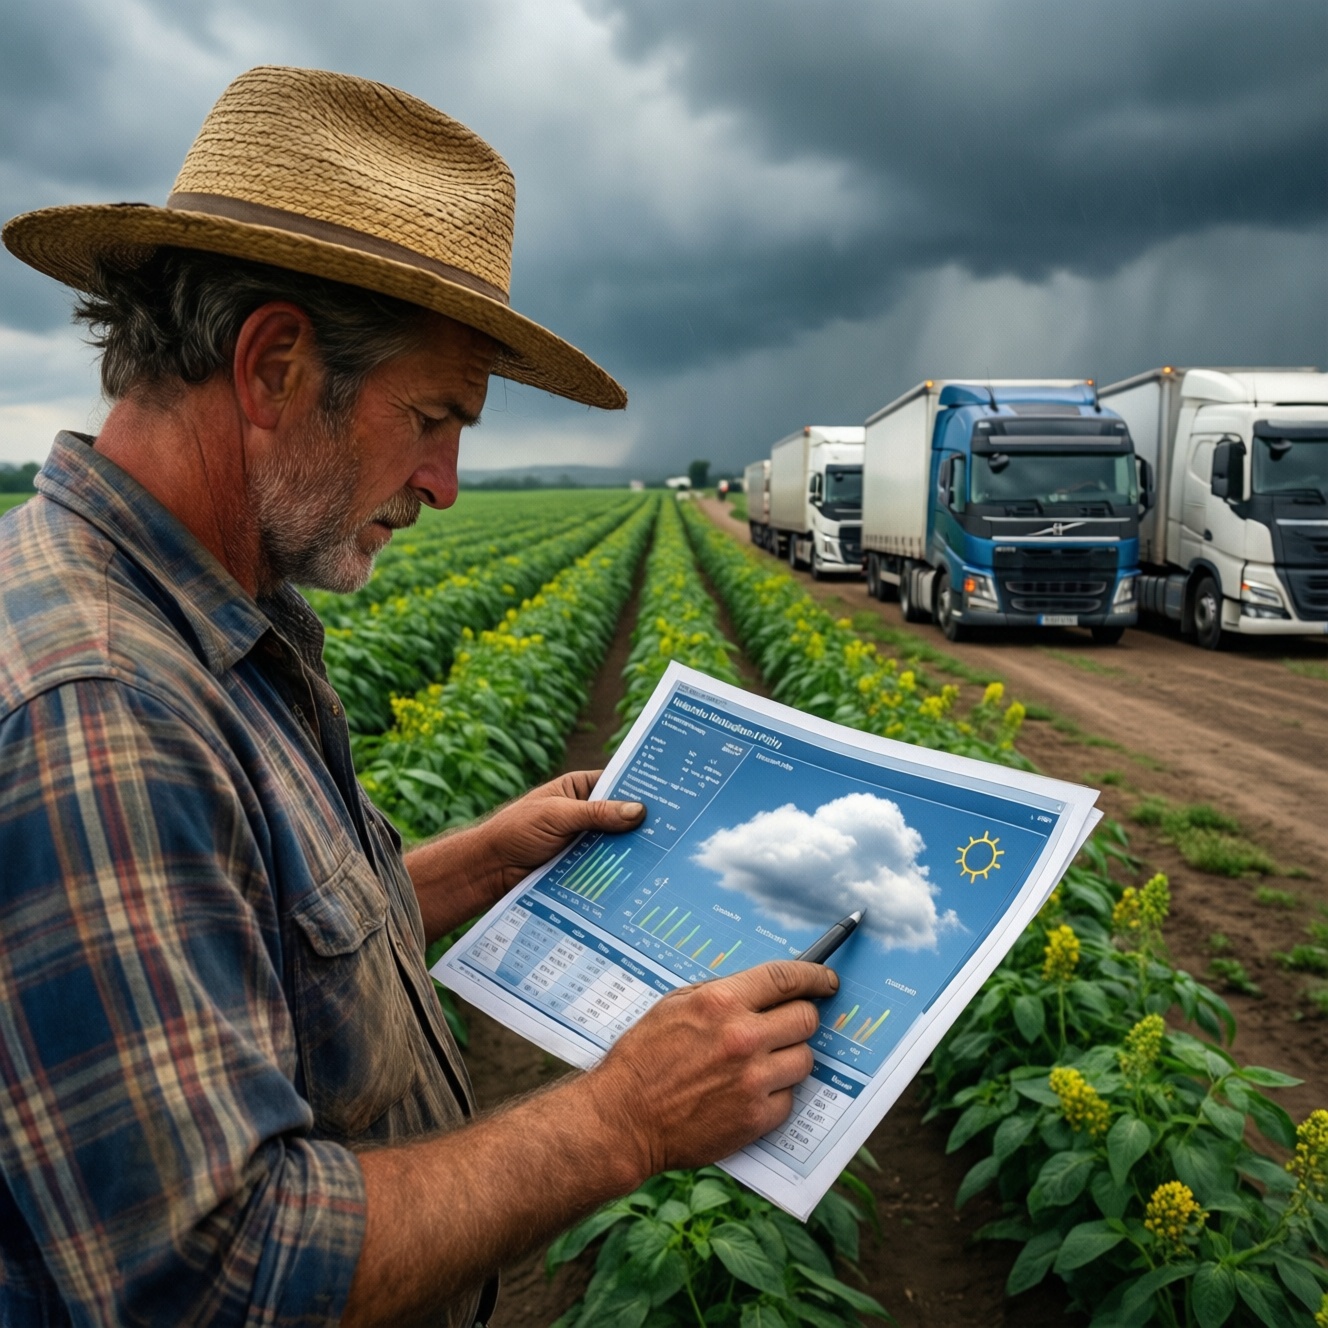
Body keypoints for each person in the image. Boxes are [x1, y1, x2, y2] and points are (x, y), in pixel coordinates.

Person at [0, 66, 837, 1327]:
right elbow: (219, 1278)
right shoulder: (101, 705)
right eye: (433, 418)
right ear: (274, 366)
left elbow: (258, 942)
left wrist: (482, 860)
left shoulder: (198, 615)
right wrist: (623, 1118)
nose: (443, 482)